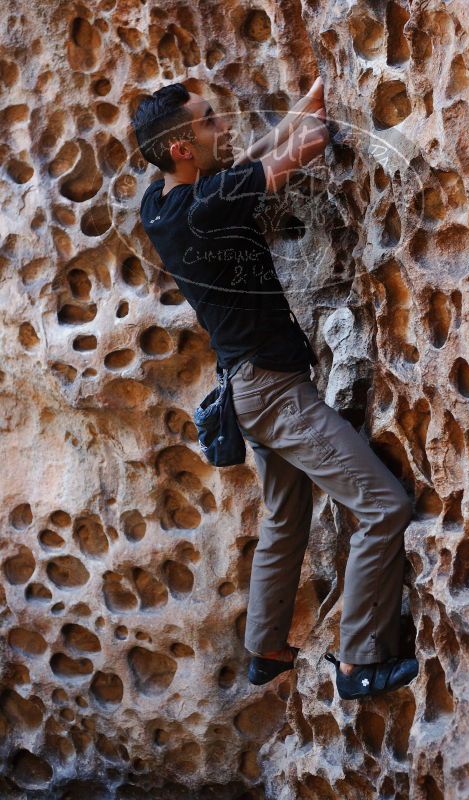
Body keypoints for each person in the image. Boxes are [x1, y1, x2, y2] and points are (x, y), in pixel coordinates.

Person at [133, 79, 418, 700]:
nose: (223, 127)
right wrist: (331, 127)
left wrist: (302, 108)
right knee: (382, 506)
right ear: (181, 146)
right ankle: (360, 662)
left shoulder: (161, 202)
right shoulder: (207, 204)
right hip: (273, 394)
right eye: (211, 121)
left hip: (246, 390)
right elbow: (288, 157)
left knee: (285, 518)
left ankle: (265, 647)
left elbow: (245, 163)